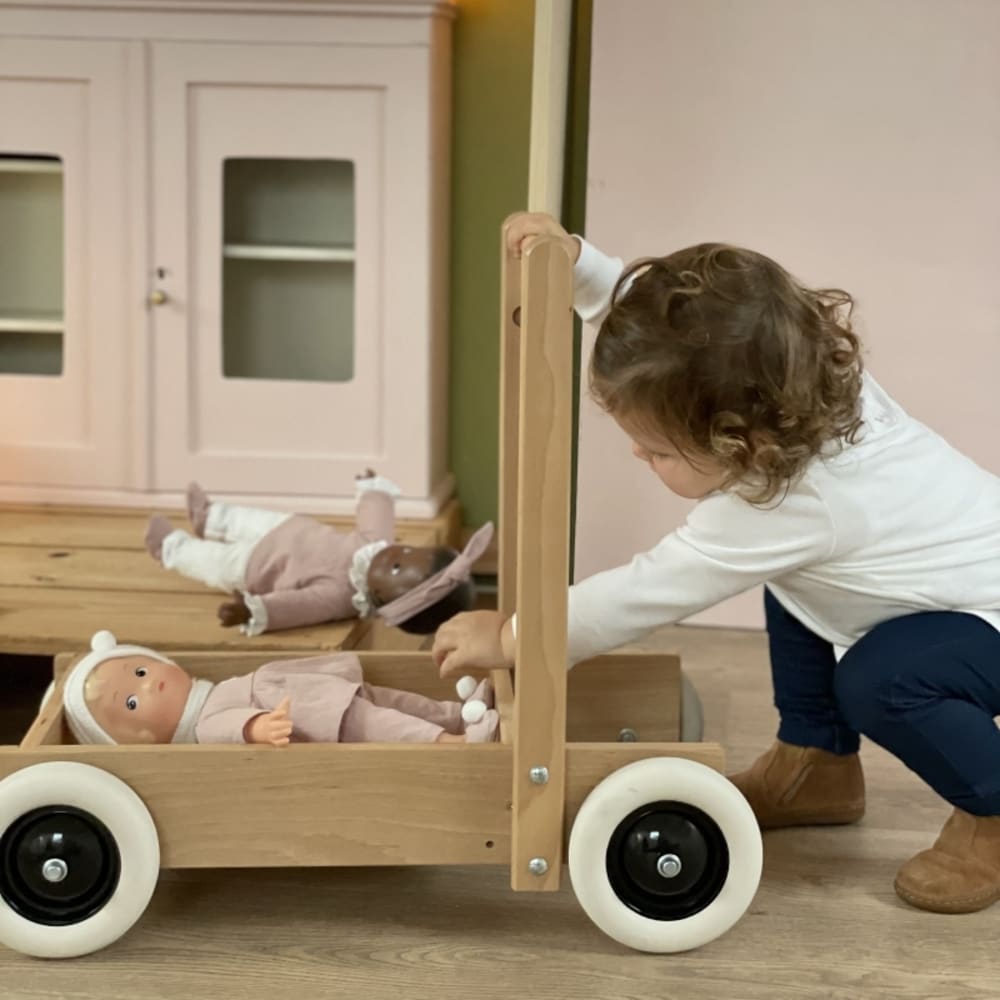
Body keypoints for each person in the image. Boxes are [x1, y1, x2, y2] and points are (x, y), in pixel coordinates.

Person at [432, 211, 1000, 914]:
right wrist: (579, 269)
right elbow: (674, 339)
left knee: (881, 683)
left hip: (986, 618)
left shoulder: (793, 506)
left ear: (743, 443)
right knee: (799, 590)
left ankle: (991, 809)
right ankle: (816, 762)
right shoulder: (802, 393)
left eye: (659, 450)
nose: (639, 455)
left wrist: (516, 636)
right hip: (950, 591)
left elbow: (643, 593)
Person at [144, 473, 492, 636]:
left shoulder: (338, 595)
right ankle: (210, 517)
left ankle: (172, 548)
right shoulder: (374, 546)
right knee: (246, 519)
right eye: (409, 550)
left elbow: (299, 606)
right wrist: (374, 490)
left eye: (398, 568)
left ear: (386, 600)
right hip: (285, 529)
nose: (394, 553)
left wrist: (254, 610)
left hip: (257, 569)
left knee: (214, 563)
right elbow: (376, 515)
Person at [63, 631, 498, 747]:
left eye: (140, 671)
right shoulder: (203, 725)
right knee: (383, 724)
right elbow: (233, 730)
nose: (149, 683)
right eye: (133, 701)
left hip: (314, 693)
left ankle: (455, 714)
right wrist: (260, 727)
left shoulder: (206, 693)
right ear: (142, 739)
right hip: (313, 718)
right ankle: (454, 744)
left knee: (390, 700)